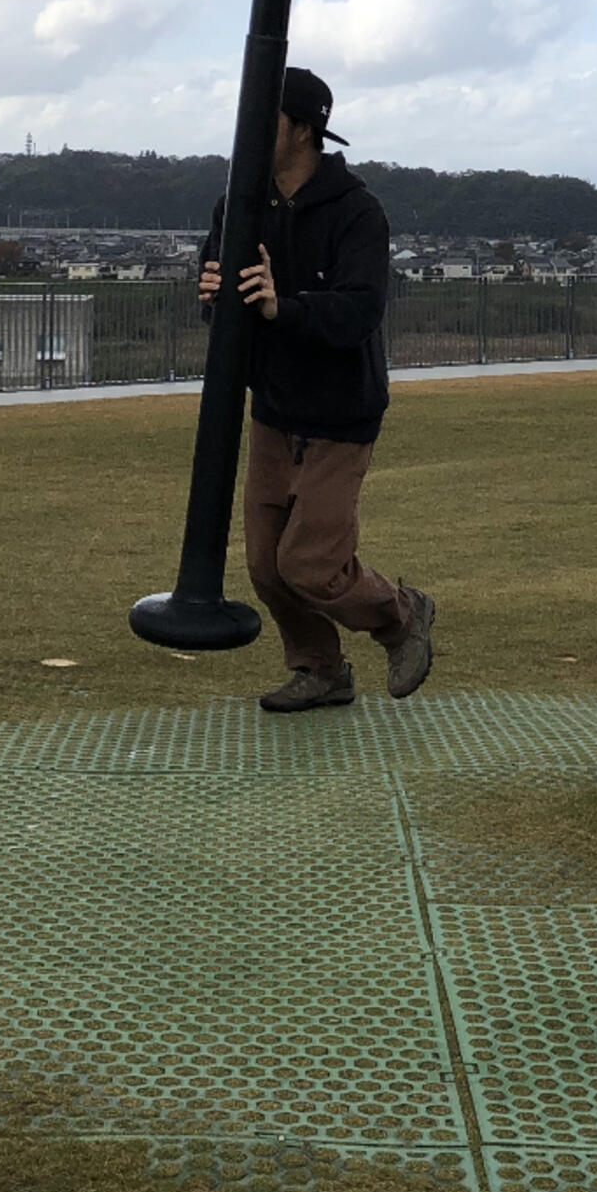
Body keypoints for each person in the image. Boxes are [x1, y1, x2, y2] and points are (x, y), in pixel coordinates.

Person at [199, 67, 435, 714]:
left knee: (308, 564)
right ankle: (319, 669)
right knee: (265, 566)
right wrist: (216, 301)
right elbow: (223, 302)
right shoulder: (237, 206)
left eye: (264, 120)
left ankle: (402, 615)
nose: (248, 134)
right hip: (274, 406)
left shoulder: (357, 211)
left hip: (339, 413)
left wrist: (284, 307)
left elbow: (360, 311)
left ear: (304, 130)